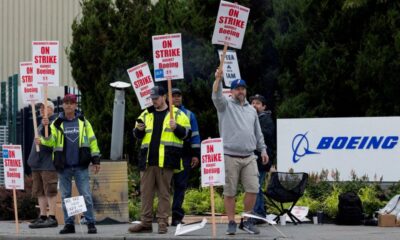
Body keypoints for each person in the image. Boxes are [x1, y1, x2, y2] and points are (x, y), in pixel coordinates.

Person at [212, 72, 269, 235]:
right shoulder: (224, 106)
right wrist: (218, 80)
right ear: (231, 92)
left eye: (242, 88)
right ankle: (231, 221)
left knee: (253, 189)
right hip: (230, 155)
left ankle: (246, 220)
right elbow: (216, 95)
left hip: (250, 156)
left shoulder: (252, 110)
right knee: (230, 191)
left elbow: (258, 133)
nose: (240, 91)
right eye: (237, 89)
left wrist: (263, 149)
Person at [128, 86, 191, 234]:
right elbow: (136, 135)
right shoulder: (145, 114)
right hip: (148, 160)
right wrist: (139, 129)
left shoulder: (177, 114)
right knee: (146, 193)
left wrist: (177, 128)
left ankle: (163, 222)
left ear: (164, 97)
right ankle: (146, 223)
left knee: (164, 193)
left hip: (167, 160)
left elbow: (187, 134)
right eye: (152, 98)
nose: (153, 101)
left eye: (156, 98)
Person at [40, 94, 101, 234]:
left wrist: (96, 159)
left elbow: (92, 141)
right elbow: (50, 142)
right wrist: (45, 128)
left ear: (75, 105)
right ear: (62, 105)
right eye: (66, 103)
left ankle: (90, 222)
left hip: (81, 165)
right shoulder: (56, 123)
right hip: (64, 166)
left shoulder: (84, 122)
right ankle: (69, 224)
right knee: (65, 196)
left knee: (86, 195)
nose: (68, 105)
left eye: (71, 103)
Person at [170, 88, 201, 226]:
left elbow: (195, 135)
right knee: (164, 187)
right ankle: (162, 216)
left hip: (184, 154)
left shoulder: (189, 114)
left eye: (179, 96)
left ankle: (176, 217)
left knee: (180, 186)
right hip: (166, 154)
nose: (176, 98)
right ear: (168, 98)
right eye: (173, 96)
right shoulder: (164, 113)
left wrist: (195, 155)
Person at [28, 100, 58, 229]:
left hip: (48, 164)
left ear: (51, 109)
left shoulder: (54, 123)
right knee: (39, 191)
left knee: (50, 190)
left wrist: (48, 127)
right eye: (40, 107)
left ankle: (52, 217)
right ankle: (43, 216)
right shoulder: (40, 125)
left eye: (45, 107)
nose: (41, 109)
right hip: (37, 164)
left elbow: (53, 140)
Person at [249, 94, 275, 222]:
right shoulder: (250, 118)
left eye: (258, 103)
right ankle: (259, 212)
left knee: (256, 186)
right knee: (254, 186)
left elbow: (263, 137)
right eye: (253, 103)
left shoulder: (266, 120)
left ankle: (259, 214)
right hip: (253, 159)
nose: (254, 105)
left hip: (262, 160)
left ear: (264, 107)